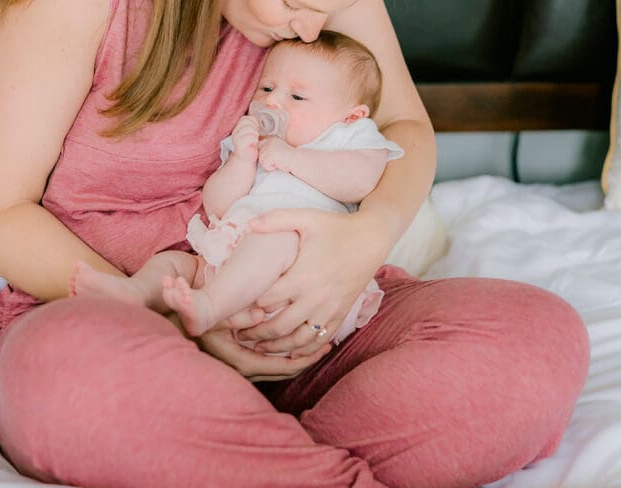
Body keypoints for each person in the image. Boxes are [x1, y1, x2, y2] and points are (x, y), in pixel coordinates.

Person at [0, 0, 621, 488]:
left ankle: (231, 460)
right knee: (69, 382)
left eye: (328, 11)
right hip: (123, 315)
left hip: (303, 321)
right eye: (295, 4)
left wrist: (365, 240)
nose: (311, 28)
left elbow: (404, 128)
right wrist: (164, 314)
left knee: (533, 341)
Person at [69, 30, 403, 344]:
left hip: (300, 270)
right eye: (267, 88)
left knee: (276, 237)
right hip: (228, 259)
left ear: (351, 115)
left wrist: (292, 159)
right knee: (174, 263)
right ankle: (136, 292)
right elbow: (217, 205)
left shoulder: (349, 136)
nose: (274, 103)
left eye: (297, 96)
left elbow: (359, 181)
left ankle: (209, 308)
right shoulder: (254, 140)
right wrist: (241, 160)